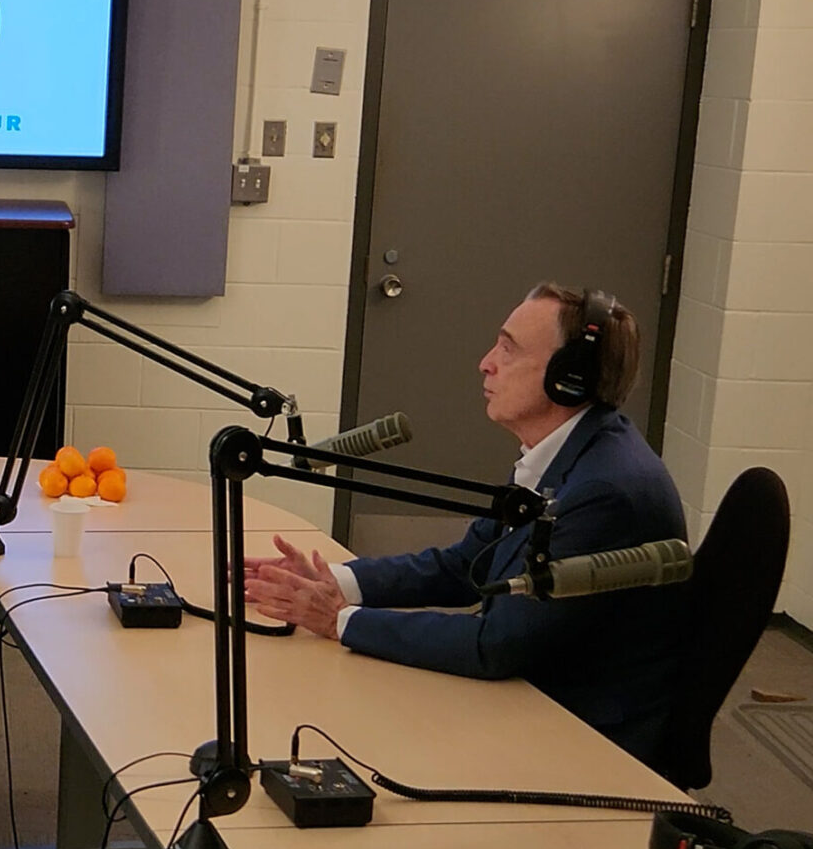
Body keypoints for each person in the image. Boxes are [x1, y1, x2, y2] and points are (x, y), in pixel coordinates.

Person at [247, 283, 690, 777]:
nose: (486, 363)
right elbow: (466, 567)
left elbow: (496, 645)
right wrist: (337, 581)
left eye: (509, 349)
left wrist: (339, 620)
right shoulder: (564, 453)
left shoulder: (604, 490)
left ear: (570, 377)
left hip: (585, 742)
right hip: (532, 698)